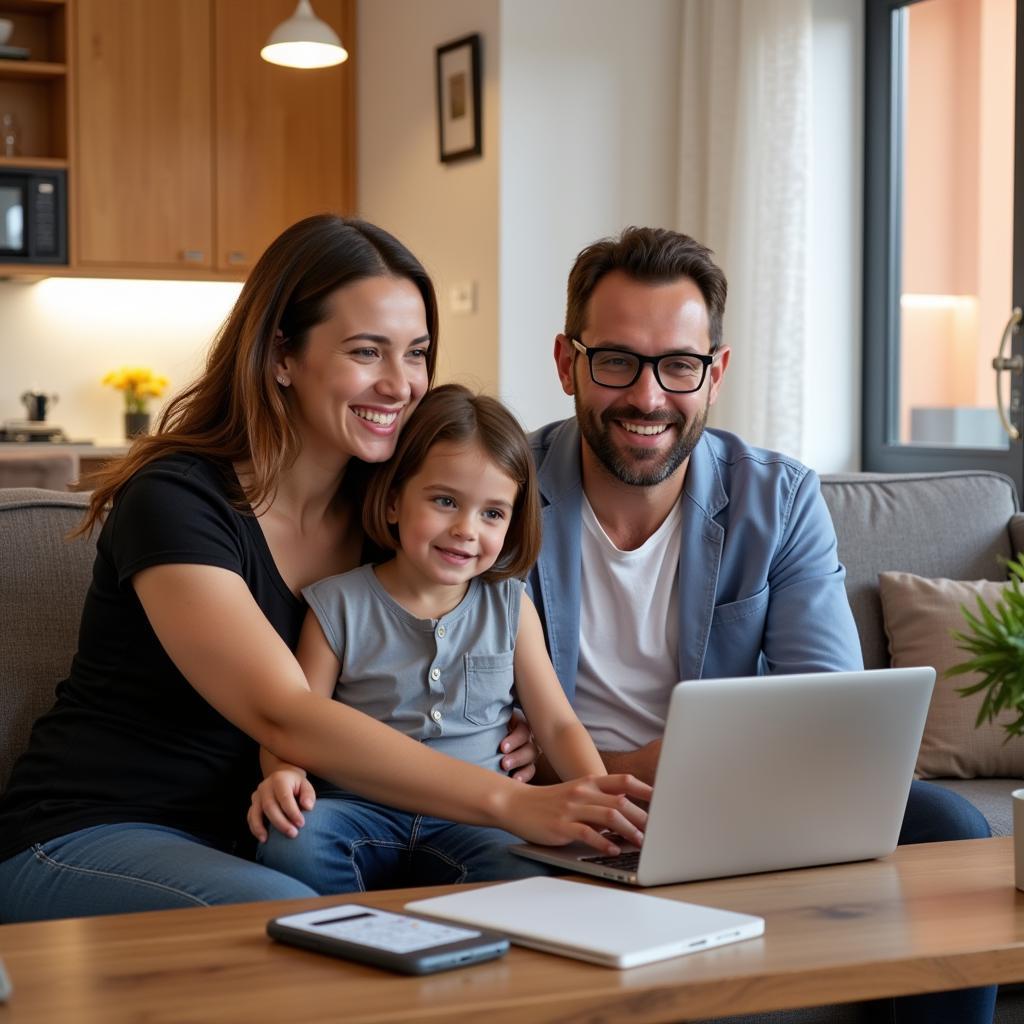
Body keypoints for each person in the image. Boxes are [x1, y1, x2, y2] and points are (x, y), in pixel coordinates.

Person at [0, 215, 643, 923]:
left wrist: (496, 720)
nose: (400, 385)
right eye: (367, 352)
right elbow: (287, 713)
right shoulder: (177, 500)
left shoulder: (389, 516)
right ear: (282, 354)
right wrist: (509, 801)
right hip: (94, 834)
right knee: (294, 919)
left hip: (267, 837)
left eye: (417, 353)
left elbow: (439, 649)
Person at [525, 226, 995, 1024]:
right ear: (569, 361)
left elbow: (828, 708)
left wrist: (623, 763)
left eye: (679, 365)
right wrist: (626, 767)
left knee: (950, 823)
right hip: (558, 819)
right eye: (617, 362)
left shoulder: (777, 499)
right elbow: (464, 714)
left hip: (734, 807)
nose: (647, 397)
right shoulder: (497, 497)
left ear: (717, 373)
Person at [249, 384, 646, 893]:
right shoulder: (336, 605)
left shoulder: (511, 608)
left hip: (477, 821)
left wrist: (597, 799)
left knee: (528, 870)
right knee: (294, 843)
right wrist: (282, 774)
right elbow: (293, 721)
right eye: (444, 501)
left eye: (492, 513)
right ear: (393, 501)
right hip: (356, 812)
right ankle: (351, 942)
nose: (466, 529)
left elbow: (558, 724)